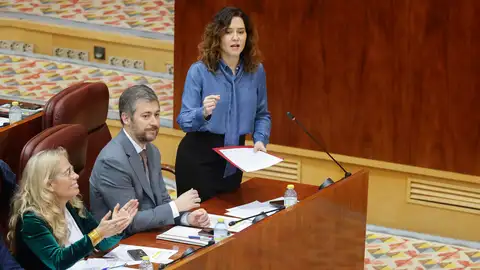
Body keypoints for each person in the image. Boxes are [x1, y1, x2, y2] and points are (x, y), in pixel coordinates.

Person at [176, 6, 272, 201]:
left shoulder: (256, 71)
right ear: (217, 36)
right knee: (201, 225)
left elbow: (262, 114)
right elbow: (184, 120)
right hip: (199, 158)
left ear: (248, 36)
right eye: (228, 32)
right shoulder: (200, 71)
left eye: (241, 32)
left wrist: (260, 139)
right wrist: (202, 112)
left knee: (228, 221)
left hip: (235, 159)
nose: (235, 38)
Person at [90, 85, 210, 235]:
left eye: (157, 115)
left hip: (149, 232)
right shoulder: (112, 162)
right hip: (119, 243)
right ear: (126, 118)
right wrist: (176, 207)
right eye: (146, 116)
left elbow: (162, 201)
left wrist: (187, 218)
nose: (155, 123)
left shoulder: (152, 151)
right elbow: (128, 222)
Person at [7, 147, 138, 270]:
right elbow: (58, 262)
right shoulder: (31, 220)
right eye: (67, 172)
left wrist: (116, 228)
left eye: (73, 170)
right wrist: (99, 233)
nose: (76, 176)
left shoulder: (72, 205)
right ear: (49, 184)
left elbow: (100, 244)